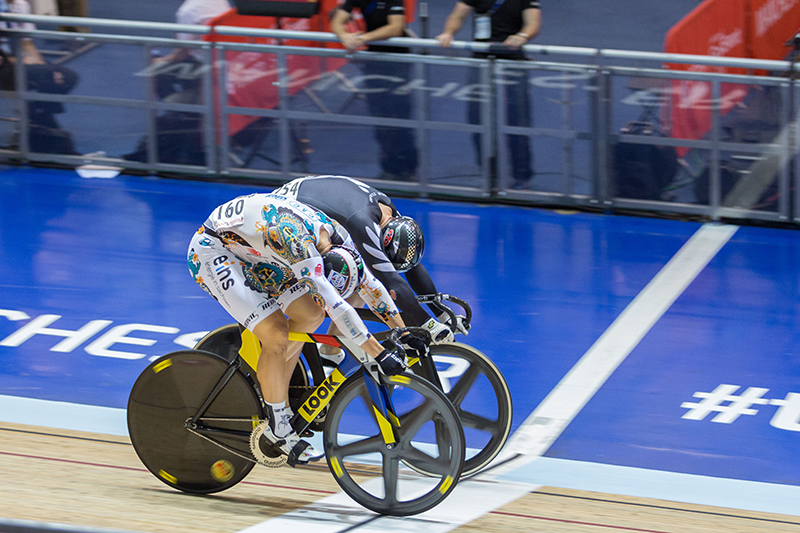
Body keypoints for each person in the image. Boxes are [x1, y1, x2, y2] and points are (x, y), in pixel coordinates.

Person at [187, 192, 425, 465]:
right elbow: (337, 306)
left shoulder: (340, 239)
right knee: (276, 336)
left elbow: (371, 287)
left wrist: (404, 331)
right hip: (215, 250)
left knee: (312, 313)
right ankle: (278, 429)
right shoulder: (300, 246)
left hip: (260, 248)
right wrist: (379, 353)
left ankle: (279, 392)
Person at [272, 175, 460, 359]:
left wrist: (441, 314)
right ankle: (278, 360)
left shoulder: (390, 216)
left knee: (357, 277)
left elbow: (410, 266)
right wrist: (428, 324)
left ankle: (330, 351)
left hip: (305, 200)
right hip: (282, 220)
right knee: (316, 308)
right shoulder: (363, 222)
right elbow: (392, 282)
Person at [437, 0, 541, 190]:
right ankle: (488, 174)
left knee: (517, 119)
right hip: (481, 63)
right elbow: (457, 16)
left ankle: (521, 174)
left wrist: (522, 36)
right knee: (478, 118)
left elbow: (533, 22)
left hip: (513, 63)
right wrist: (448, 32)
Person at [124, 0, 230, 165]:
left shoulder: (188, 10)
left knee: (155, 69)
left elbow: (181, 52)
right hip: (226, 70)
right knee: (166, 74)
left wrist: (161, 62)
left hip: (211, 78)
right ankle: (185, 123)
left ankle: (179, 123)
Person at [330, 0, 418, 181]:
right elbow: (337, 21)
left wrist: (361, 38)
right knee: (379, 114)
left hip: (397, 62)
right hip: (373, 61)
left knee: (399, 115)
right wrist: (345, 36)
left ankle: (408, 169)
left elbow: (395, 27)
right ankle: (389, 168)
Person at [0, 0, 79, 154]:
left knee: (68, 77)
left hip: (22, 61)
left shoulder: (21, 5)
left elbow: (28, 45)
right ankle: (44, 124)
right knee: (44, 76)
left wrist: (46, 68)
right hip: (4, 65)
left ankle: (36, 119)